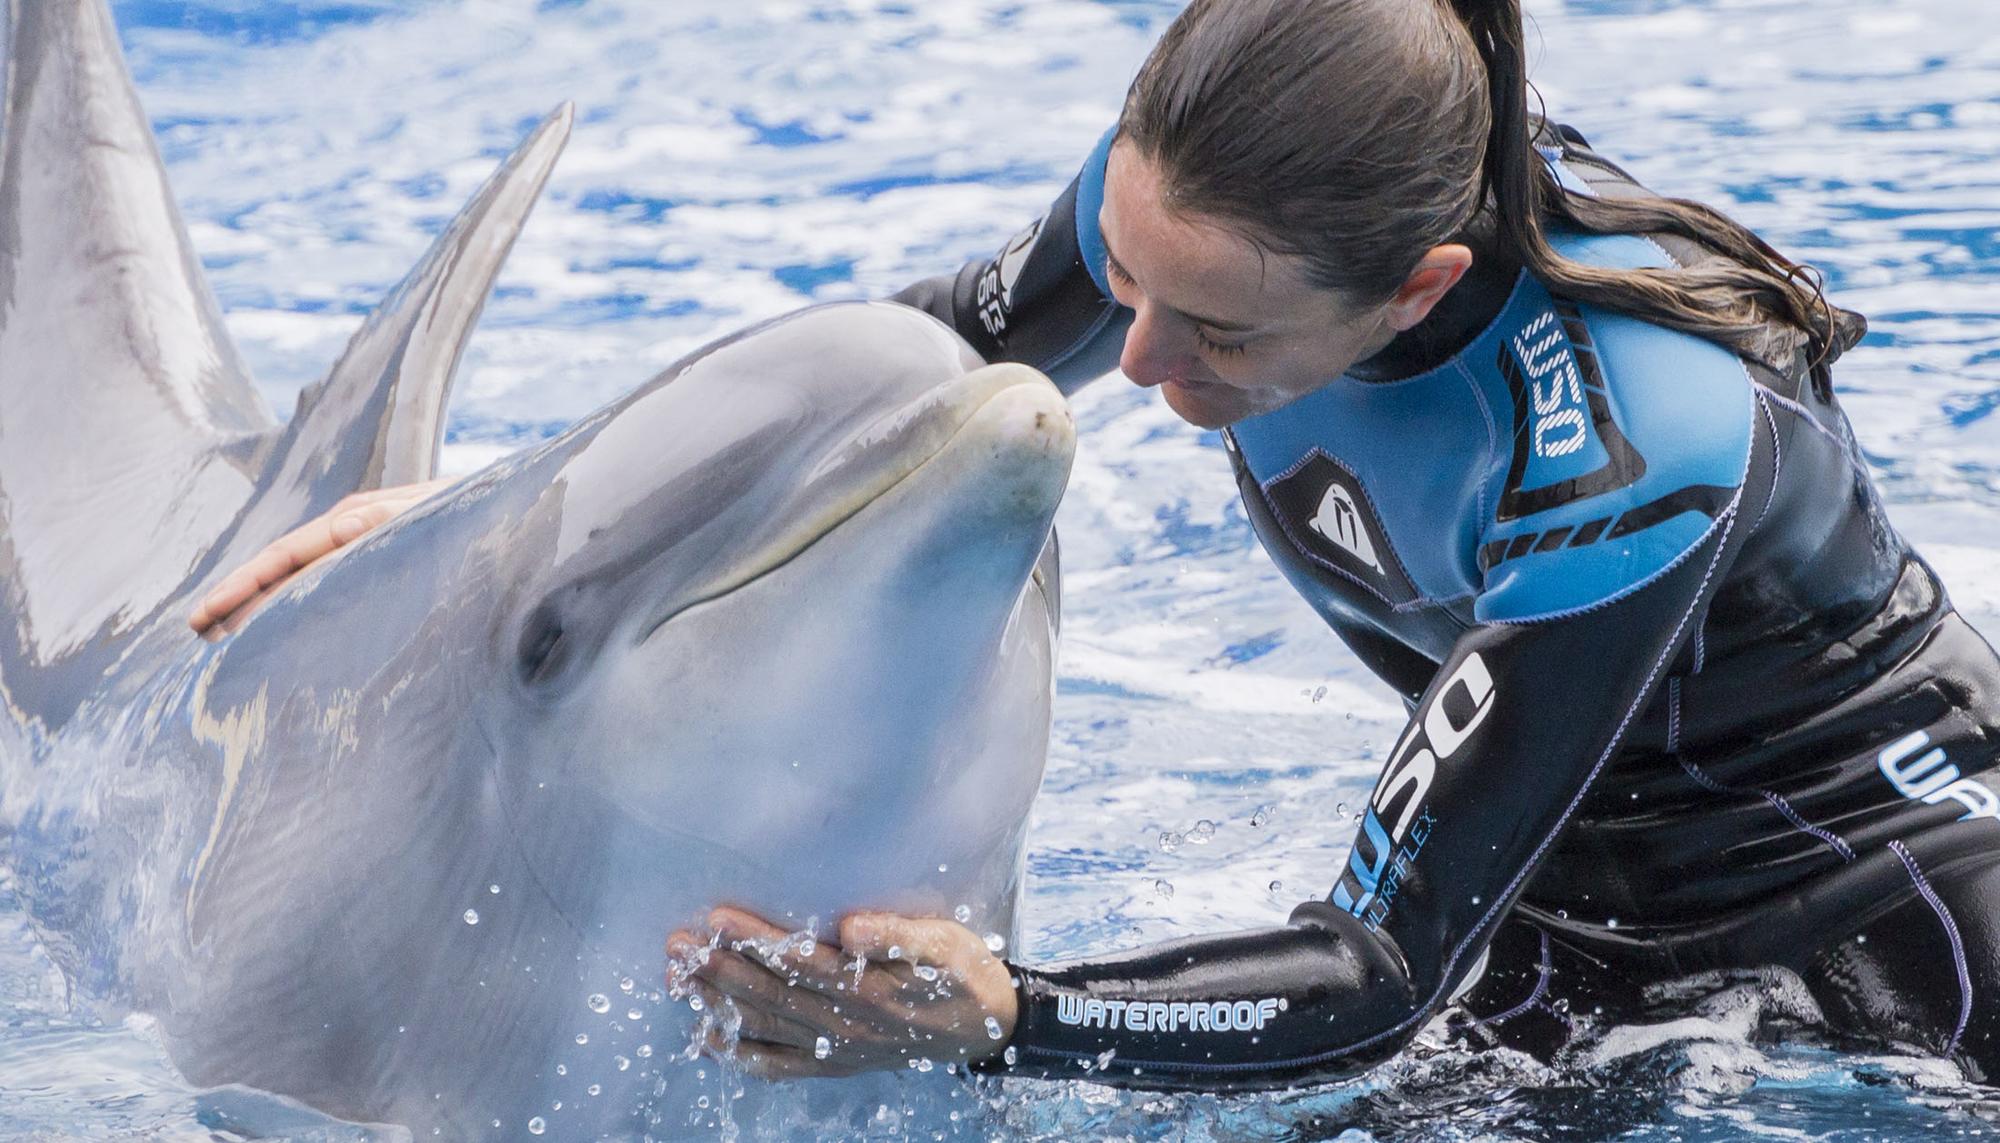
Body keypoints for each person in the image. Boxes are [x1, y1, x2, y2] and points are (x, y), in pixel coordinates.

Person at [194, 0, 2000, 1091]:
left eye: (1211, 334)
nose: (1129, 362)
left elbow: (1372, 980)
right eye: (1121, 277)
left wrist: (1013, 1016)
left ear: (1415, 294)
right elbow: (888, 392)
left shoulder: (1627, 444)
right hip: (1564, 902)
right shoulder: (1222, 202)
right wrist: (486, 504)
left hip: (1885, 926)